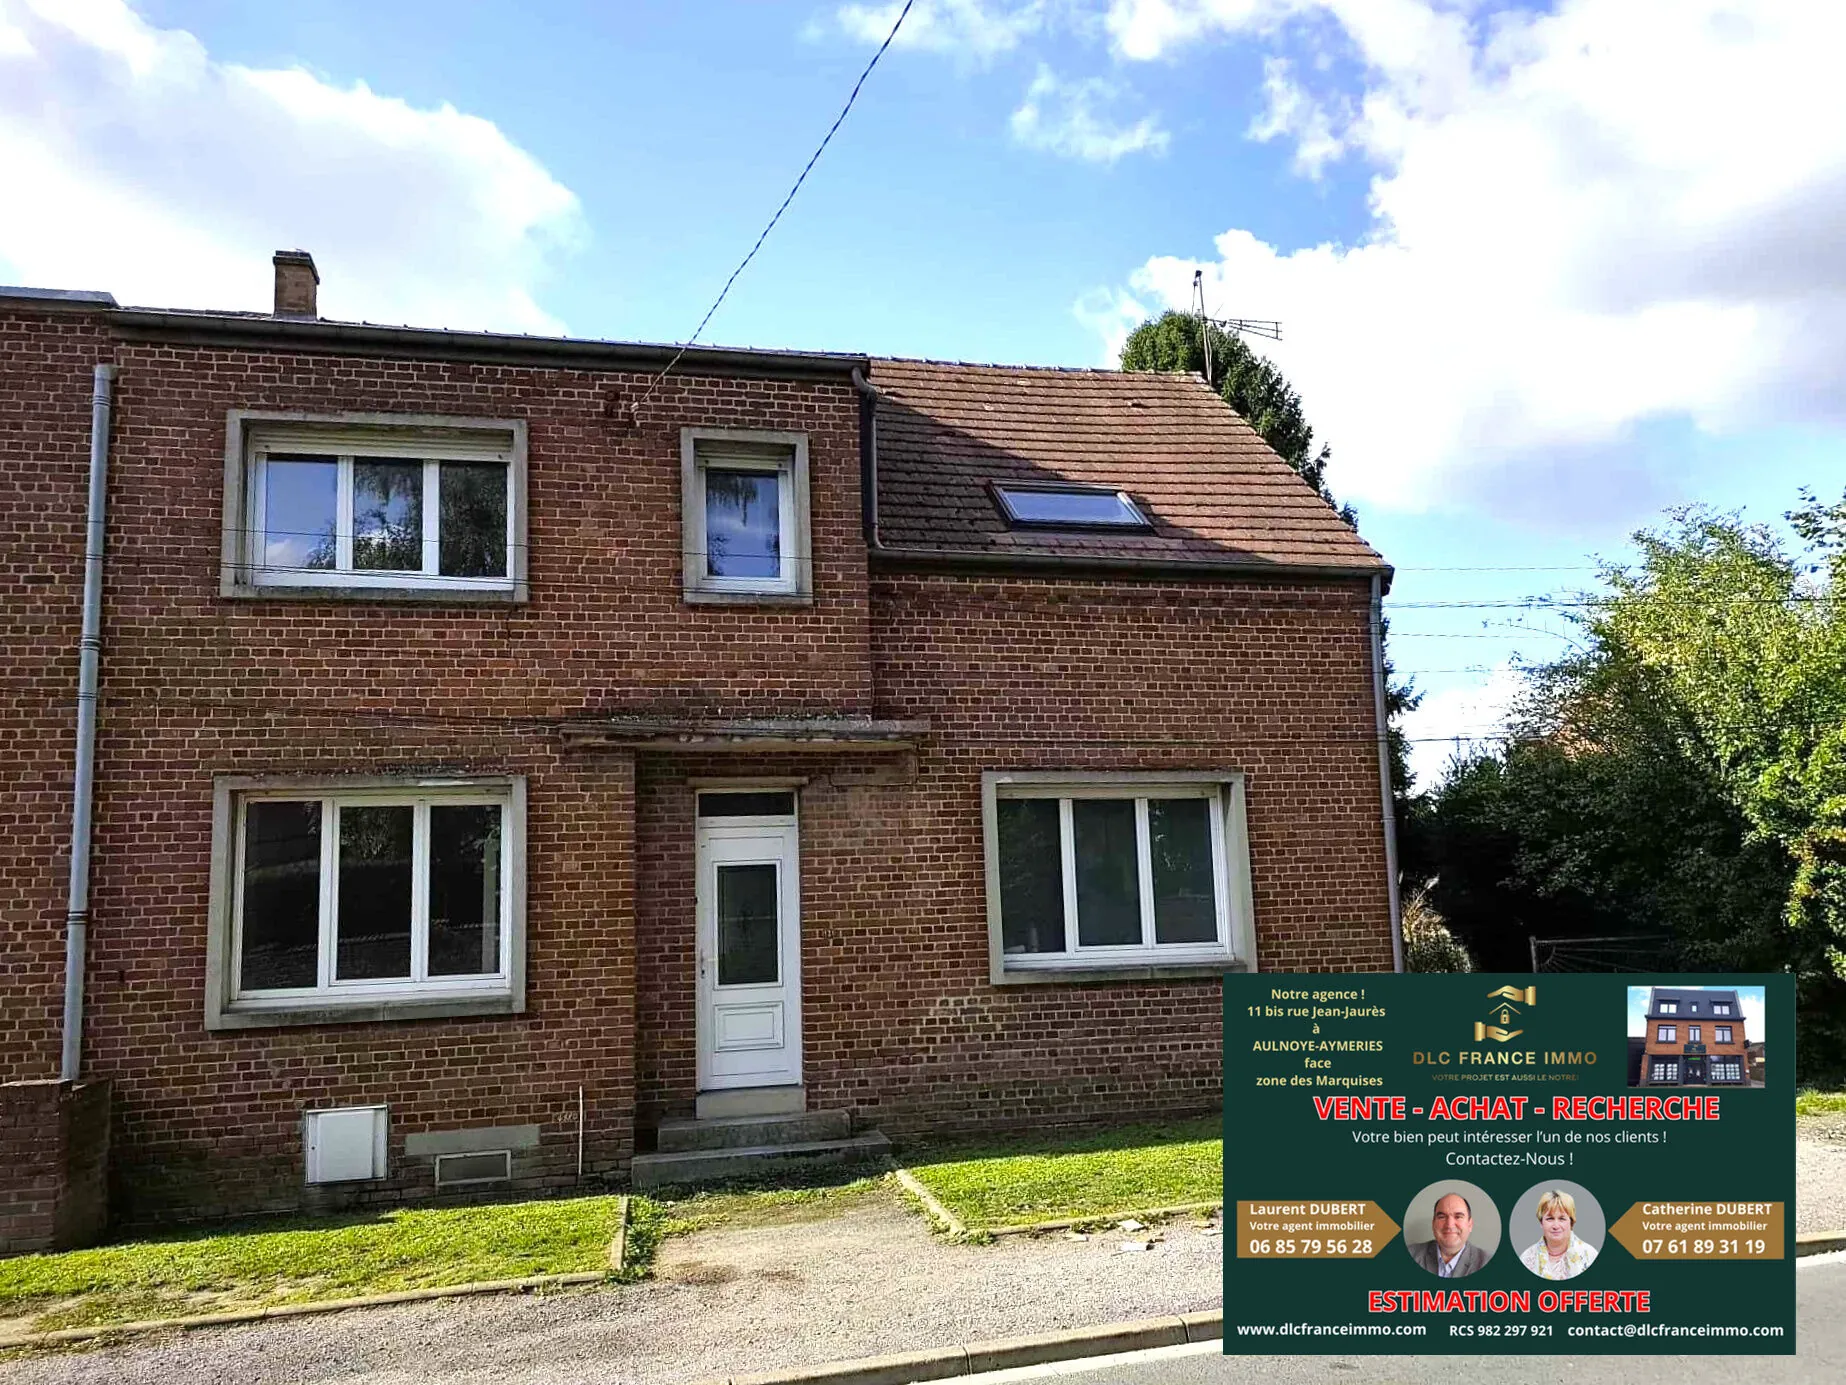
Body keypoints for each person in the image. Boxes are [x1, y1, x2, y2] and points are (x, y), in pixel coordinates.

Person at [1519, 1189, 1598, 1280]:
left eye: (1562, 1219)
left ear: (1571, 1222)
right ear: (1541, 1222)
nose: (1556, 1226)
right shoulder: (1527, 1258)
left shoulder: (1590, 1255)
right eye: (1550, 1219)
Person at [1408, 1192, 1489, 1277]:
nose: (1449, 1224)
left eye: (1458, 1217)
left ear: (1470, 1225)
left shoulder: (1485, 1262)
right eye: (1442, 1217)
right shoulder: (1412, 1254)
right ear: (1433, 1224)